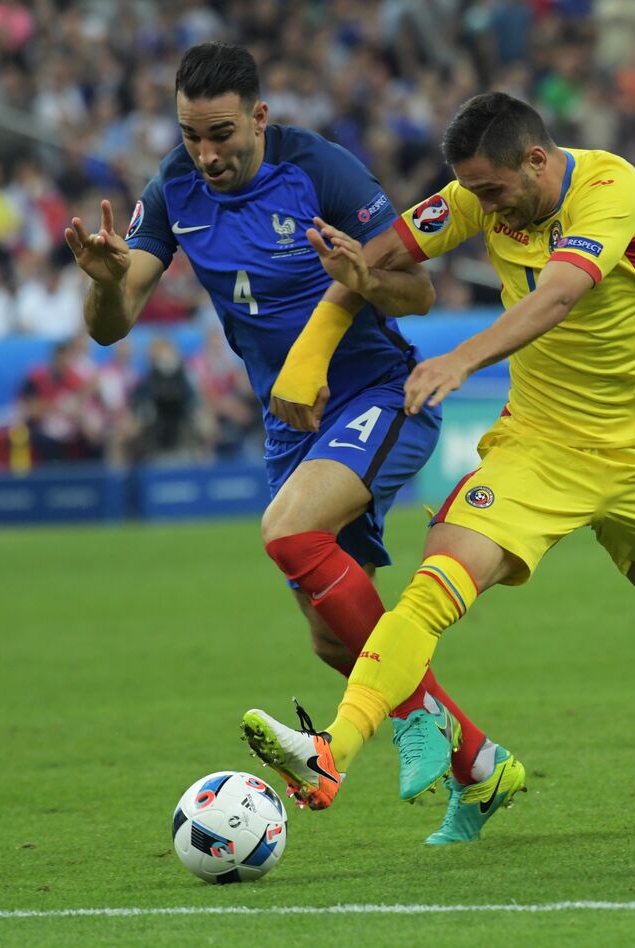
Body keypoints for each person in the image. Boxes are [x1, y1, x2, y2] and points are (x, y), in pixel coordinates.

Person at [241, 91, 635, 836]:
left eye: (492, 190)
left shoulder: (611, 191)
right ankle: (333, 749)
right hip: (539, 445)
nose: (484, 208)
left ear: (538, 160)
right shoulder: (480, 198)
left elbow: (556, 298)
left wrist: (463, 357)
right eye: (474, 192)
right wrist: (324, 331)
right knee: (432, 589)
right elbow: (380, 252)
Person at [63, 42, 505, 826]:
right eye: (192, 135)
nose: (206, 154)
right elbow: (112, 324)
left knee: (288, 529)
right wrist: (101, 287)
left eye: (222, 134)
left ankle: (412, 724)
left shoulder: (321, 172)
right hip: (288, 423)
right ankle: (481, 766)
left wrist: (363, 278)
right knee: (336, 645)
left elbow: (422, 289)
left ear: (259, 118)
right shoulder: (171, 187)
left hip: (377, 393)